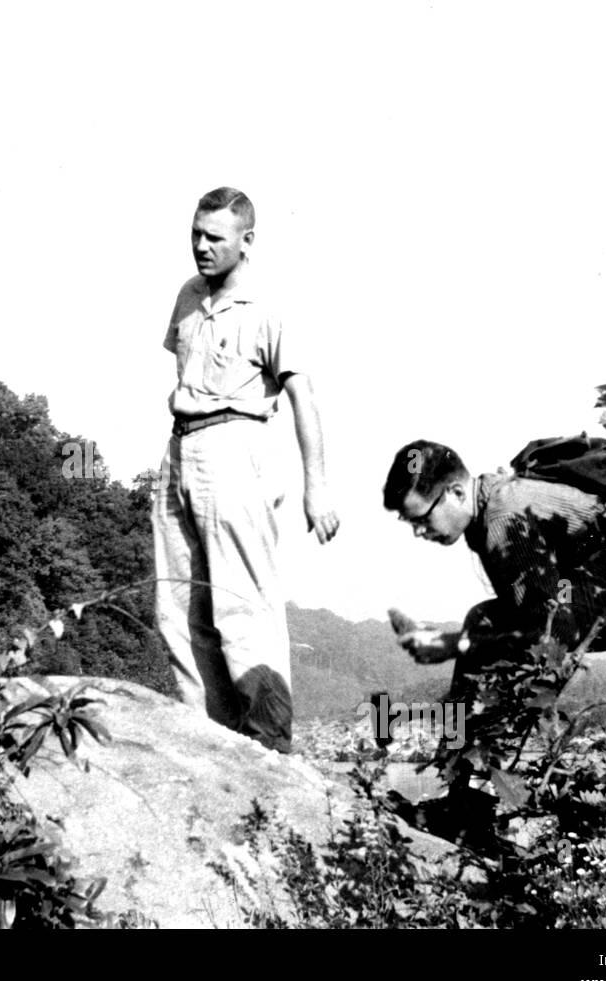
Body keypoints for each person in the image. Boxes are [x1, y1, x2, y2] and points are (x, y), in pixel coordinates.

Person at [380, 440, 606, 839]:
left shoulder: (502, 517)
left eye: (422, 517)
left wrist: (457, 645)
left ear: (457, 493)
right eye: (408, 522)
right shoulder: (494, 504)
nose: (418, 531)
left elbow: (554, 633)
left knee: (484, 626)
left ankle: (464, 801)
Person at [153, 187, 340, 754]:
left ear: (246, 241)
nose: (202, 247)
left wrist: (317, 488)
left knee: (242, 603)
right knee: (178, 604)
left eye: (215, 237)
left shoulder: (268, 306)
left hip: (238, 448)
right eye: (196, 234)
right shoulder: (187, 296)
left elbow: (302, 397)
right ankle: (212, 741)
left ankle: (268, 743)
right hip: (179, 449)